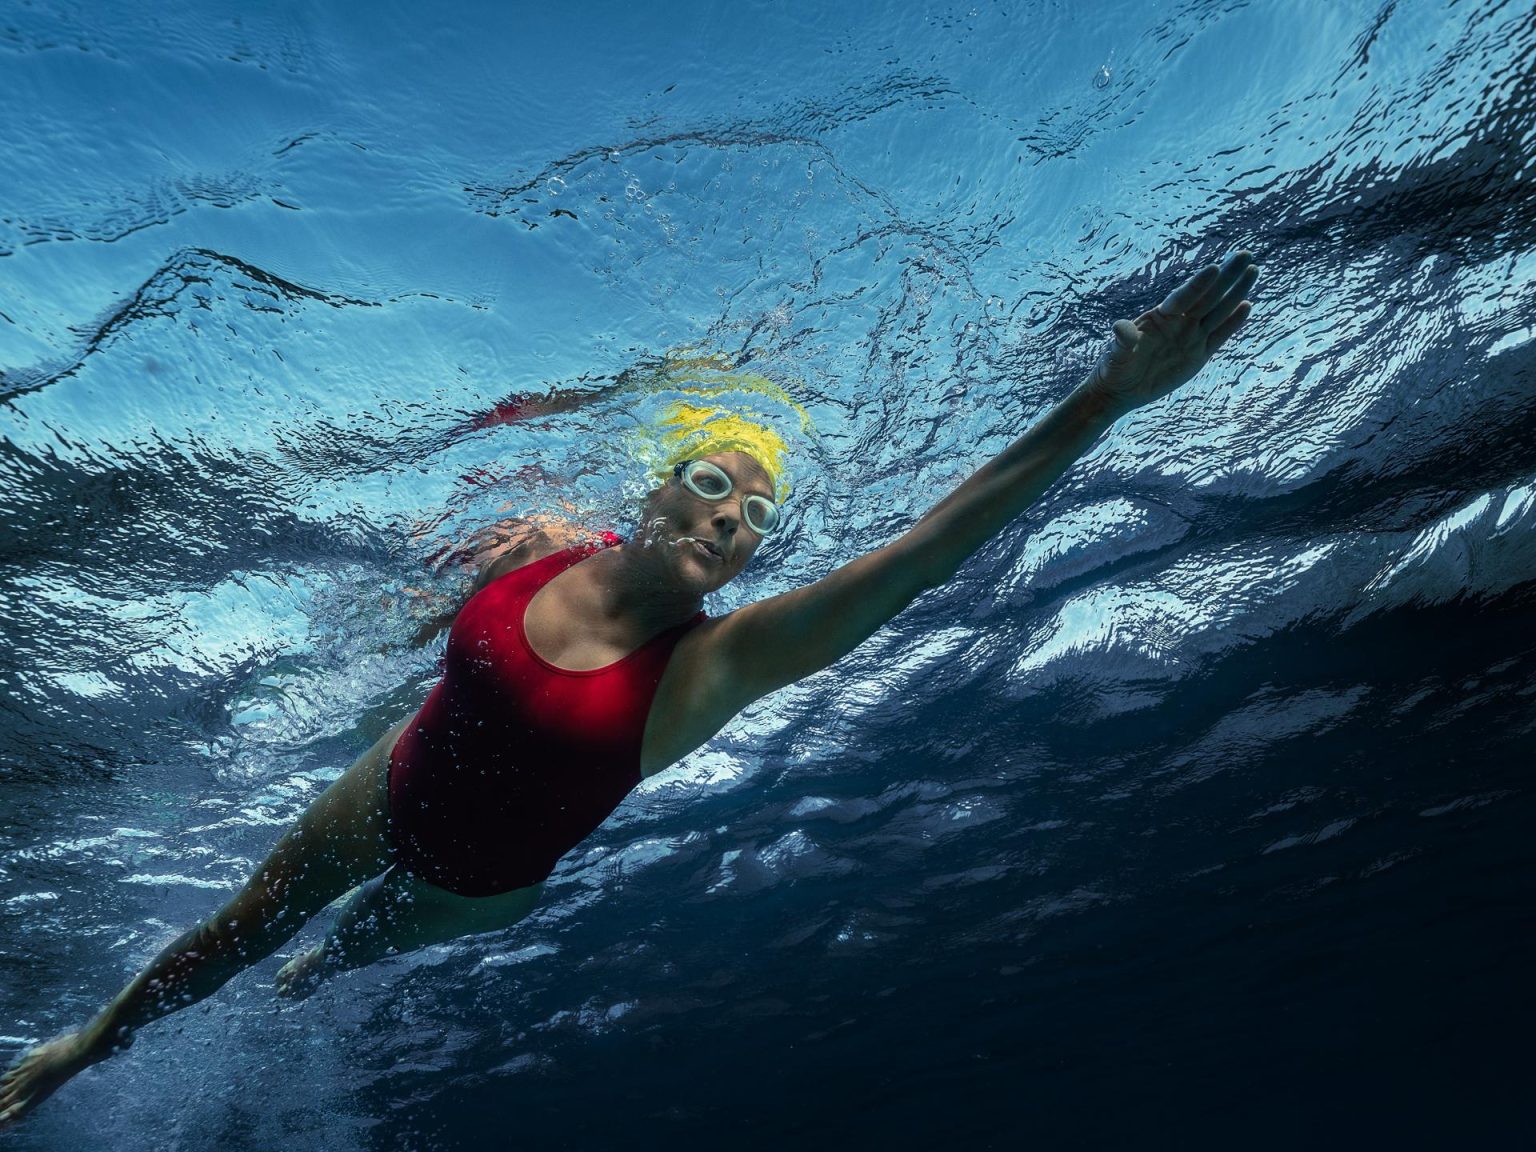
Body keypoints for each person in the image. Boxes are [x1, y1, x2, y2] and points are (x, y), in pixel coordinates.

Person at [0, 251, 1259, 1127]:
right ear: (656, 493)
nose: (732, 519)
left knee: (314, 972)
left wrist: (1102, 399)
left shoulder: (719, 662)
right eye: (714, 486)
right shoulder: (553, 538)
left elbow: (927, 549)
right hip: (389, 782)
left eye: (757, 514)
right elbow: (458, 583)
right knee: (242, 926)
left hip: (472, 887)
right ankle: (80, 1051)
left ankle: (294, 1006)